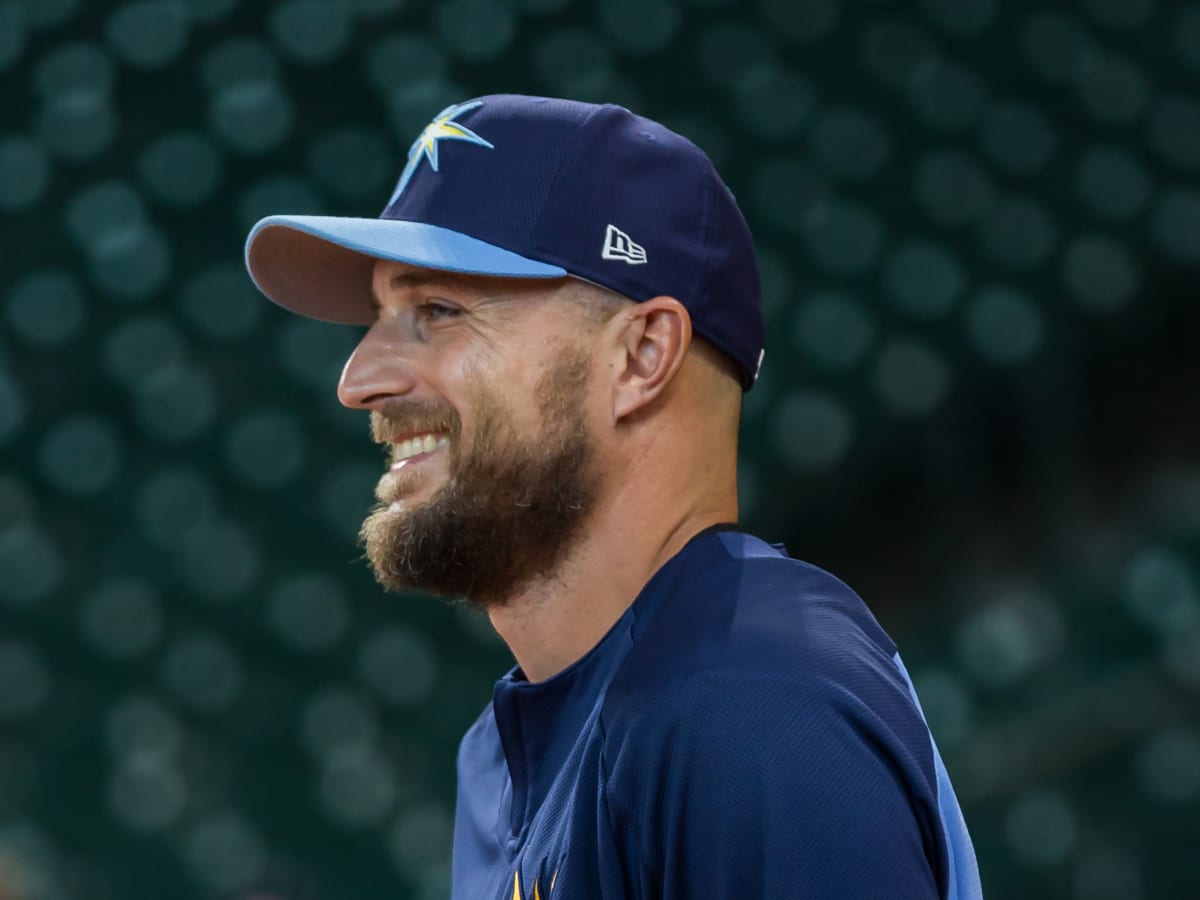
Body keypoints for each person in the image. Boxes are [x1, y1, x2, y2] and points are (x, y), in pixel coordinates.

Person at [244, 94, 982, 900]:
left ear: (641, 355)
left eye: (438, 311)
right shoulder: (503, 756)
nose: (358, 380)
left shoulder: (748, 699)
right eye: (380, 317)